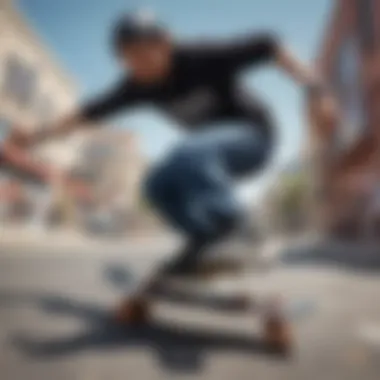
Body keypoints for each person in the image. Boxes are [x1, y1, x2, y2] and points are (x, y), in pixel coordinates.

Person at [9, 11, 338, 331]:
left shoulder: (200, 57)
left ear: (166, 43)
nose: (138, 65)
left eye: (144, 53)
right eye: (127, 59)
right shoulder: (135, 86)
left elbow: (268, 45)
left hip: (254, 138)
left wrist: (317, 91)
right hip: (208, 158)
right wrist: (36, 136)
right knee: (157, 184)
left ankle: (238, 232)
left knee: (190, 151)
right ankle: (203, 242)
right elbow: (87, 113)